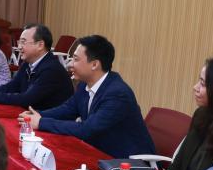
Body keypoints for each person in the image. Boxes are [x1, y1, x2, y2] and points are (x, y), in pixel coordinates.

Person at [20, 35, 155, 159]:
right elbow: (67, 109)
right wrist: (38, 115)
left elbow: (87, 129)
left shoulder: (117, 94)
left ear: (94, 64)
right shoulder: (85, 84)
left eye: (76, 59)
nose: (70, 64)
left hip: (128, 163)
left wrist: (41, 122)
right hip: (100, 153)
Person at [0, 24, 74, 110]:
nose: (19, 47)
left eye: (23, 42)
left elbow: (27, 99)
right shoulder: (28, 63)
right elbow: (12, 86)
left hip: (49, 120)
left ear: (40, 45)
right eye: (19, 42)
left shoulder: (51, 69)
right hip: (31, 114)